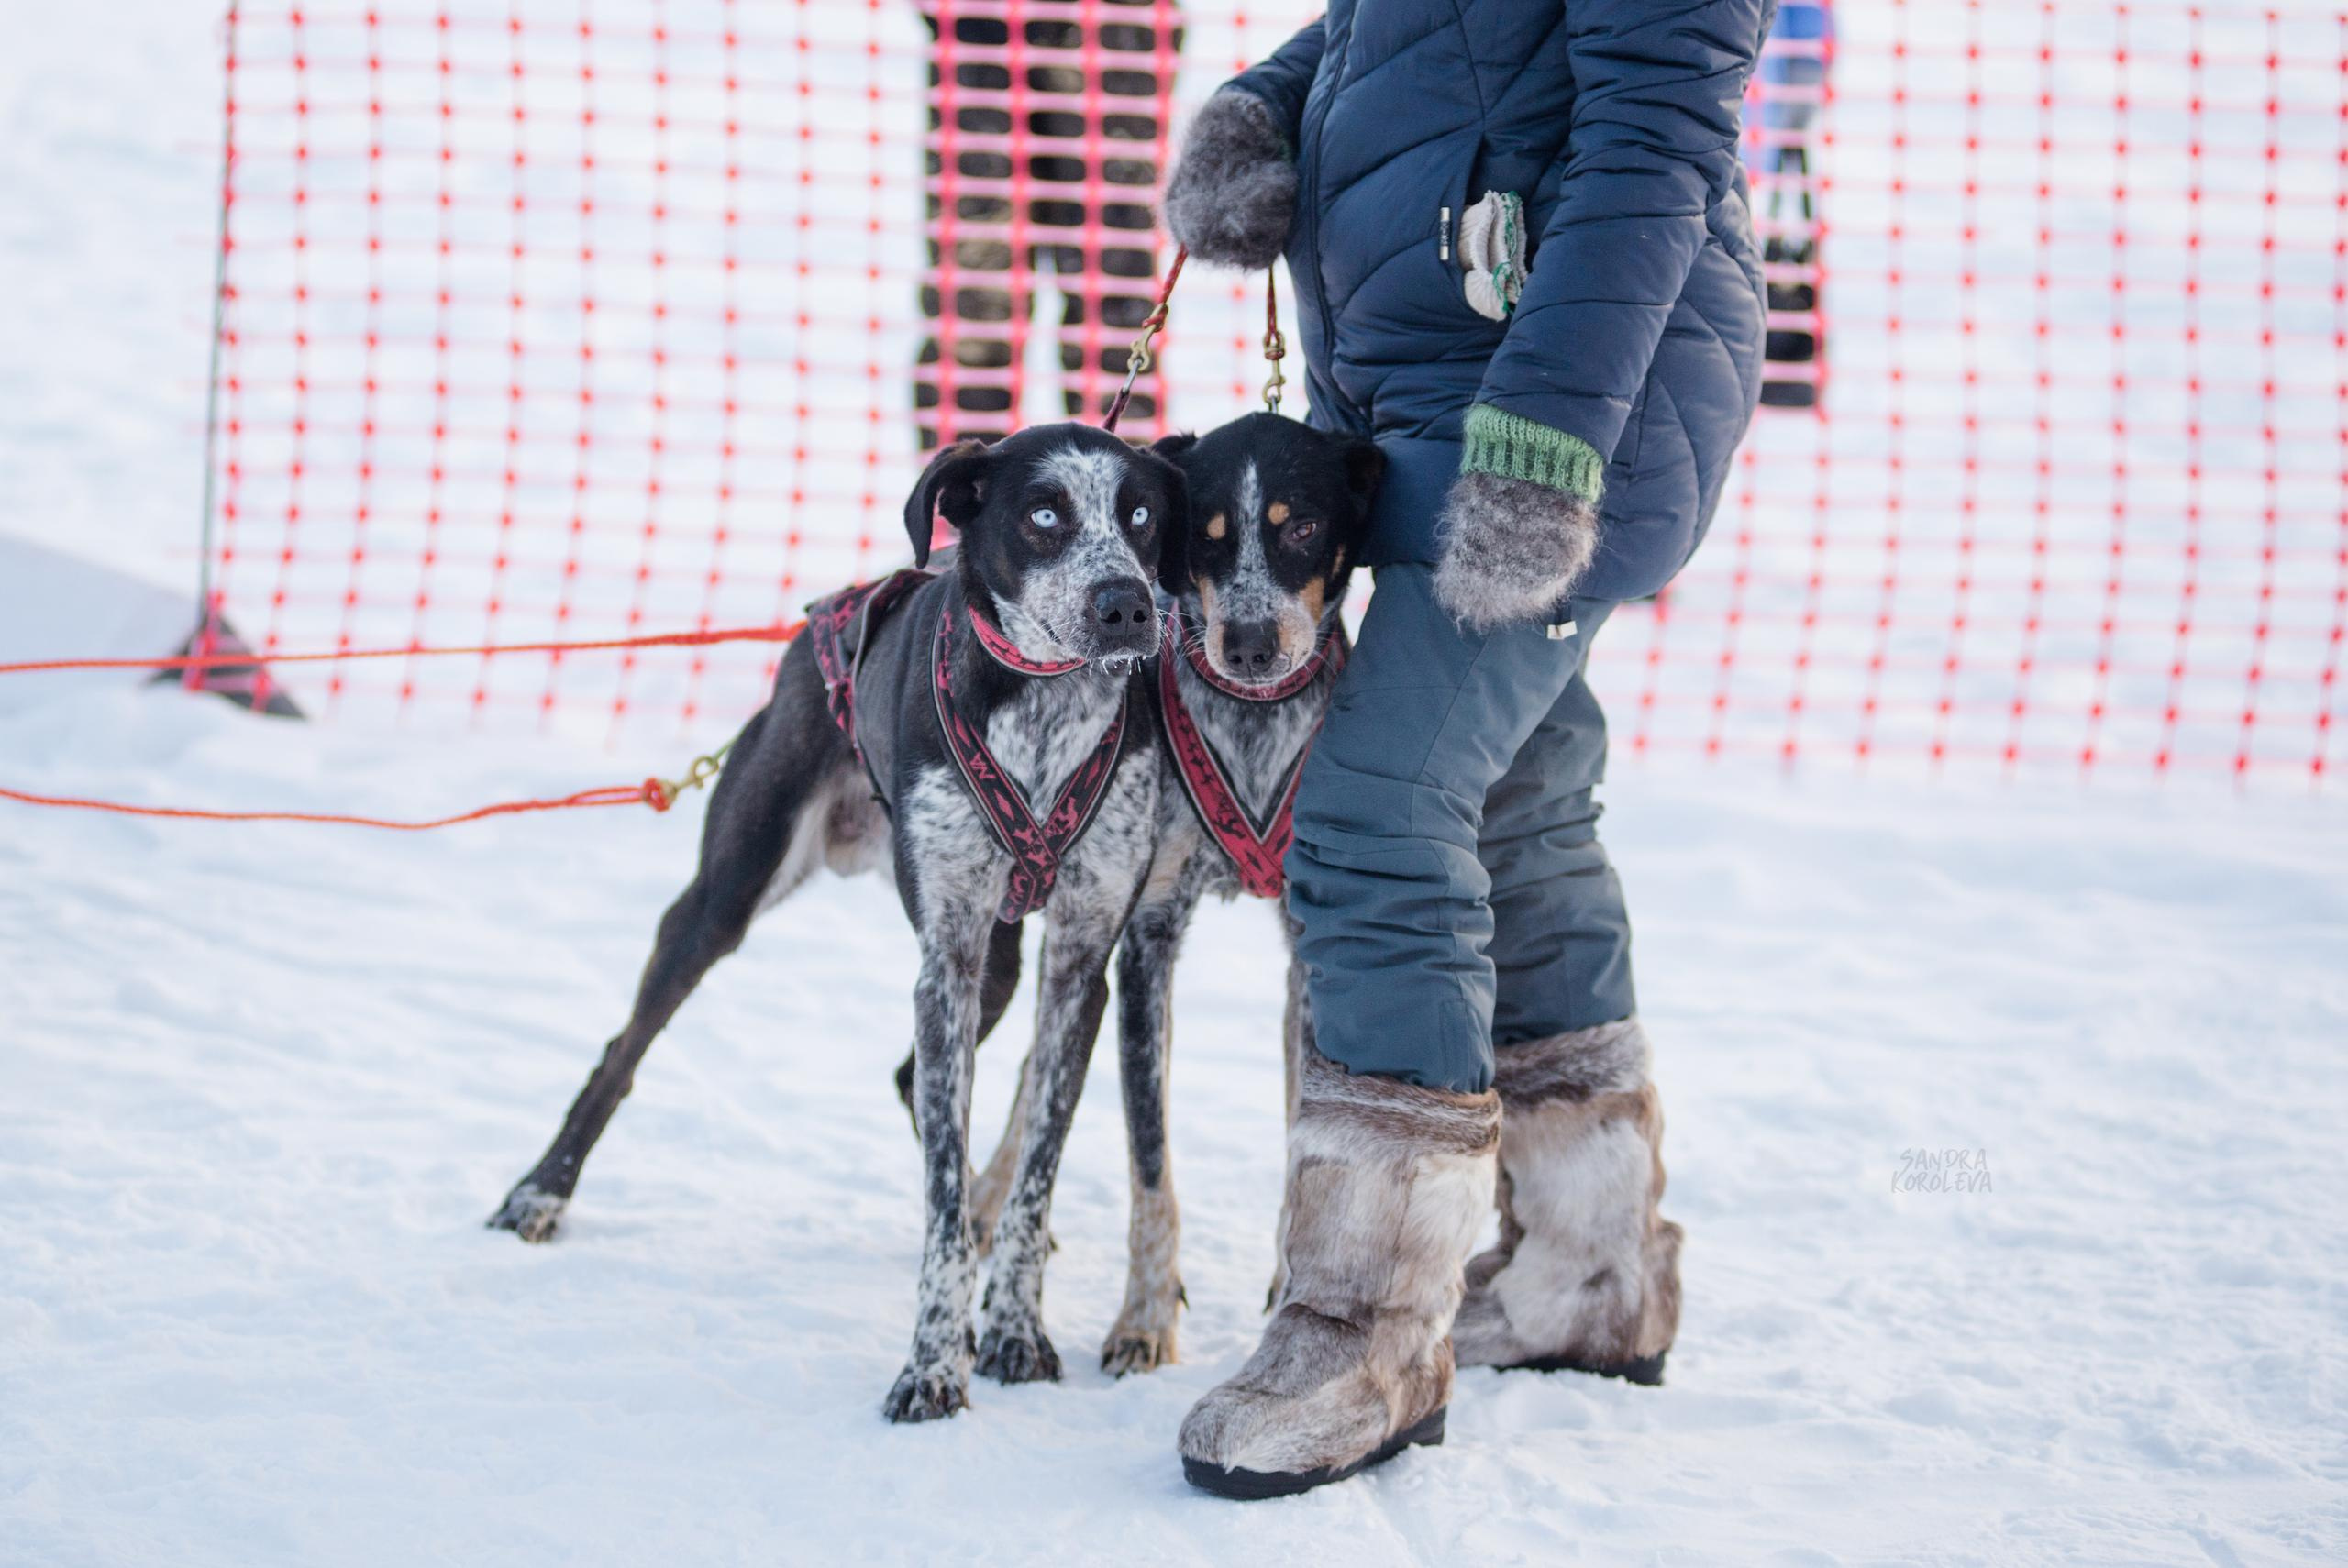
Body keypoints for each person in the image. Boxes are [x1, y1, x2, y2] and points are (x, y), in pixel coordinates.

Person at [1160, 0, 1774, 1498]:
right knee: (1521, 813)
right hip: (1435, 406)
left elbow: (1657, 138)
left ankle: (1366, 1323)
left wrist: (1548, 447)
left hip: (1559, 417)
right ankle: (1588, 1270)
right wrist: (1268, 102)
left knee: (1375, 812)